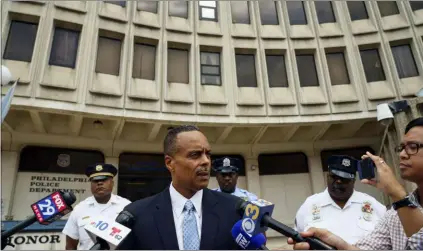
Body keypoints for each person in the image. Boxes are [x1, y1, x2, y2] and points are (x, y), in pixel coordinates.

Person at [288, 117, 423, 250]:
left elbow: (419, 244)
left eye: (412, 147)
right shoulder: (394, 214)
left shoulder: (380, 205)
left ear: (353, 180)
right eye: (401, 148)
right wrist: (338, 245)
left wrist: (397, 194)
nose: (402, 154)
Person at [117, 125, 243, 250]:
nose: (206, 161)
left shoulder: (234, 210)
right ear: (169, 163)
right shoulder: (137, 216)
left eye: (208, 154)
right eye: (195, 155)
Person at [294, 155, 386, 245]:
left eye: (344, 179)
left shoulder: (373, 205)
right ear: (327, 176)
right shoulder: (309, 205)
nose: (338, 182)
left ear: (353, 180)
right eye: (334, 177)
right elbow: (299, 239)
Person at [62, 163, 131, 250]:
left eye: (104, 180)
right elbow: (70, 245)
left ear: (112, 183)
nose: (100, 183)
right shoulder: (80, 209)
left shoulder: (126, 206)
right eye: (95, 180)